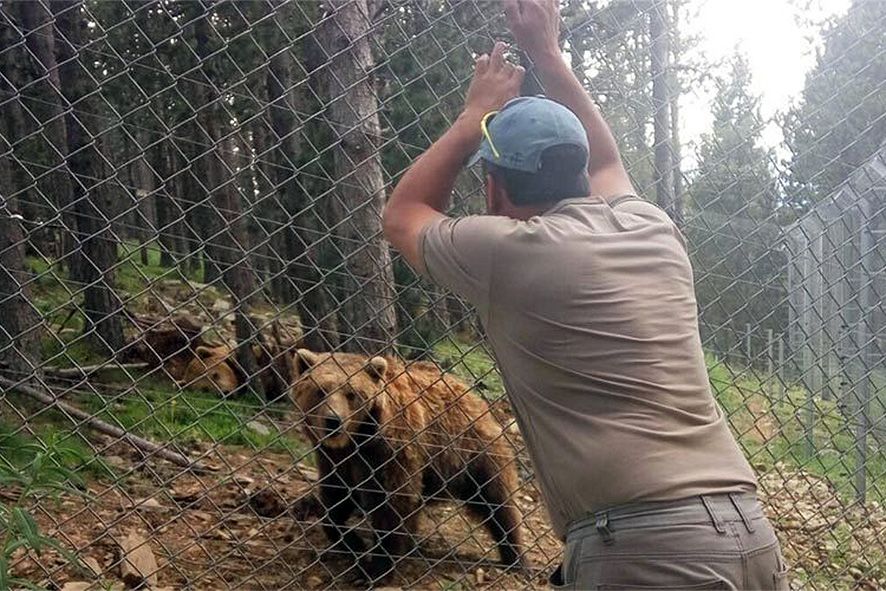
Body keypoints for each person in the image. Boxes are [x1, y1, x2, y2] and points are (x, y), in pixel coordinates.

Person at [382, 0, 788, 588]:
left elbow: (402, 215)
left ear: (494, 189)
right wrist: (549, 53)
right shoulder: (649, 227)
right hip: (747, 532)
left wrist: (473, 116)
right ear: (578, 176)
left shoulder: (509, 252)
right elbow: (609, 159)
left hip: (643, 551)